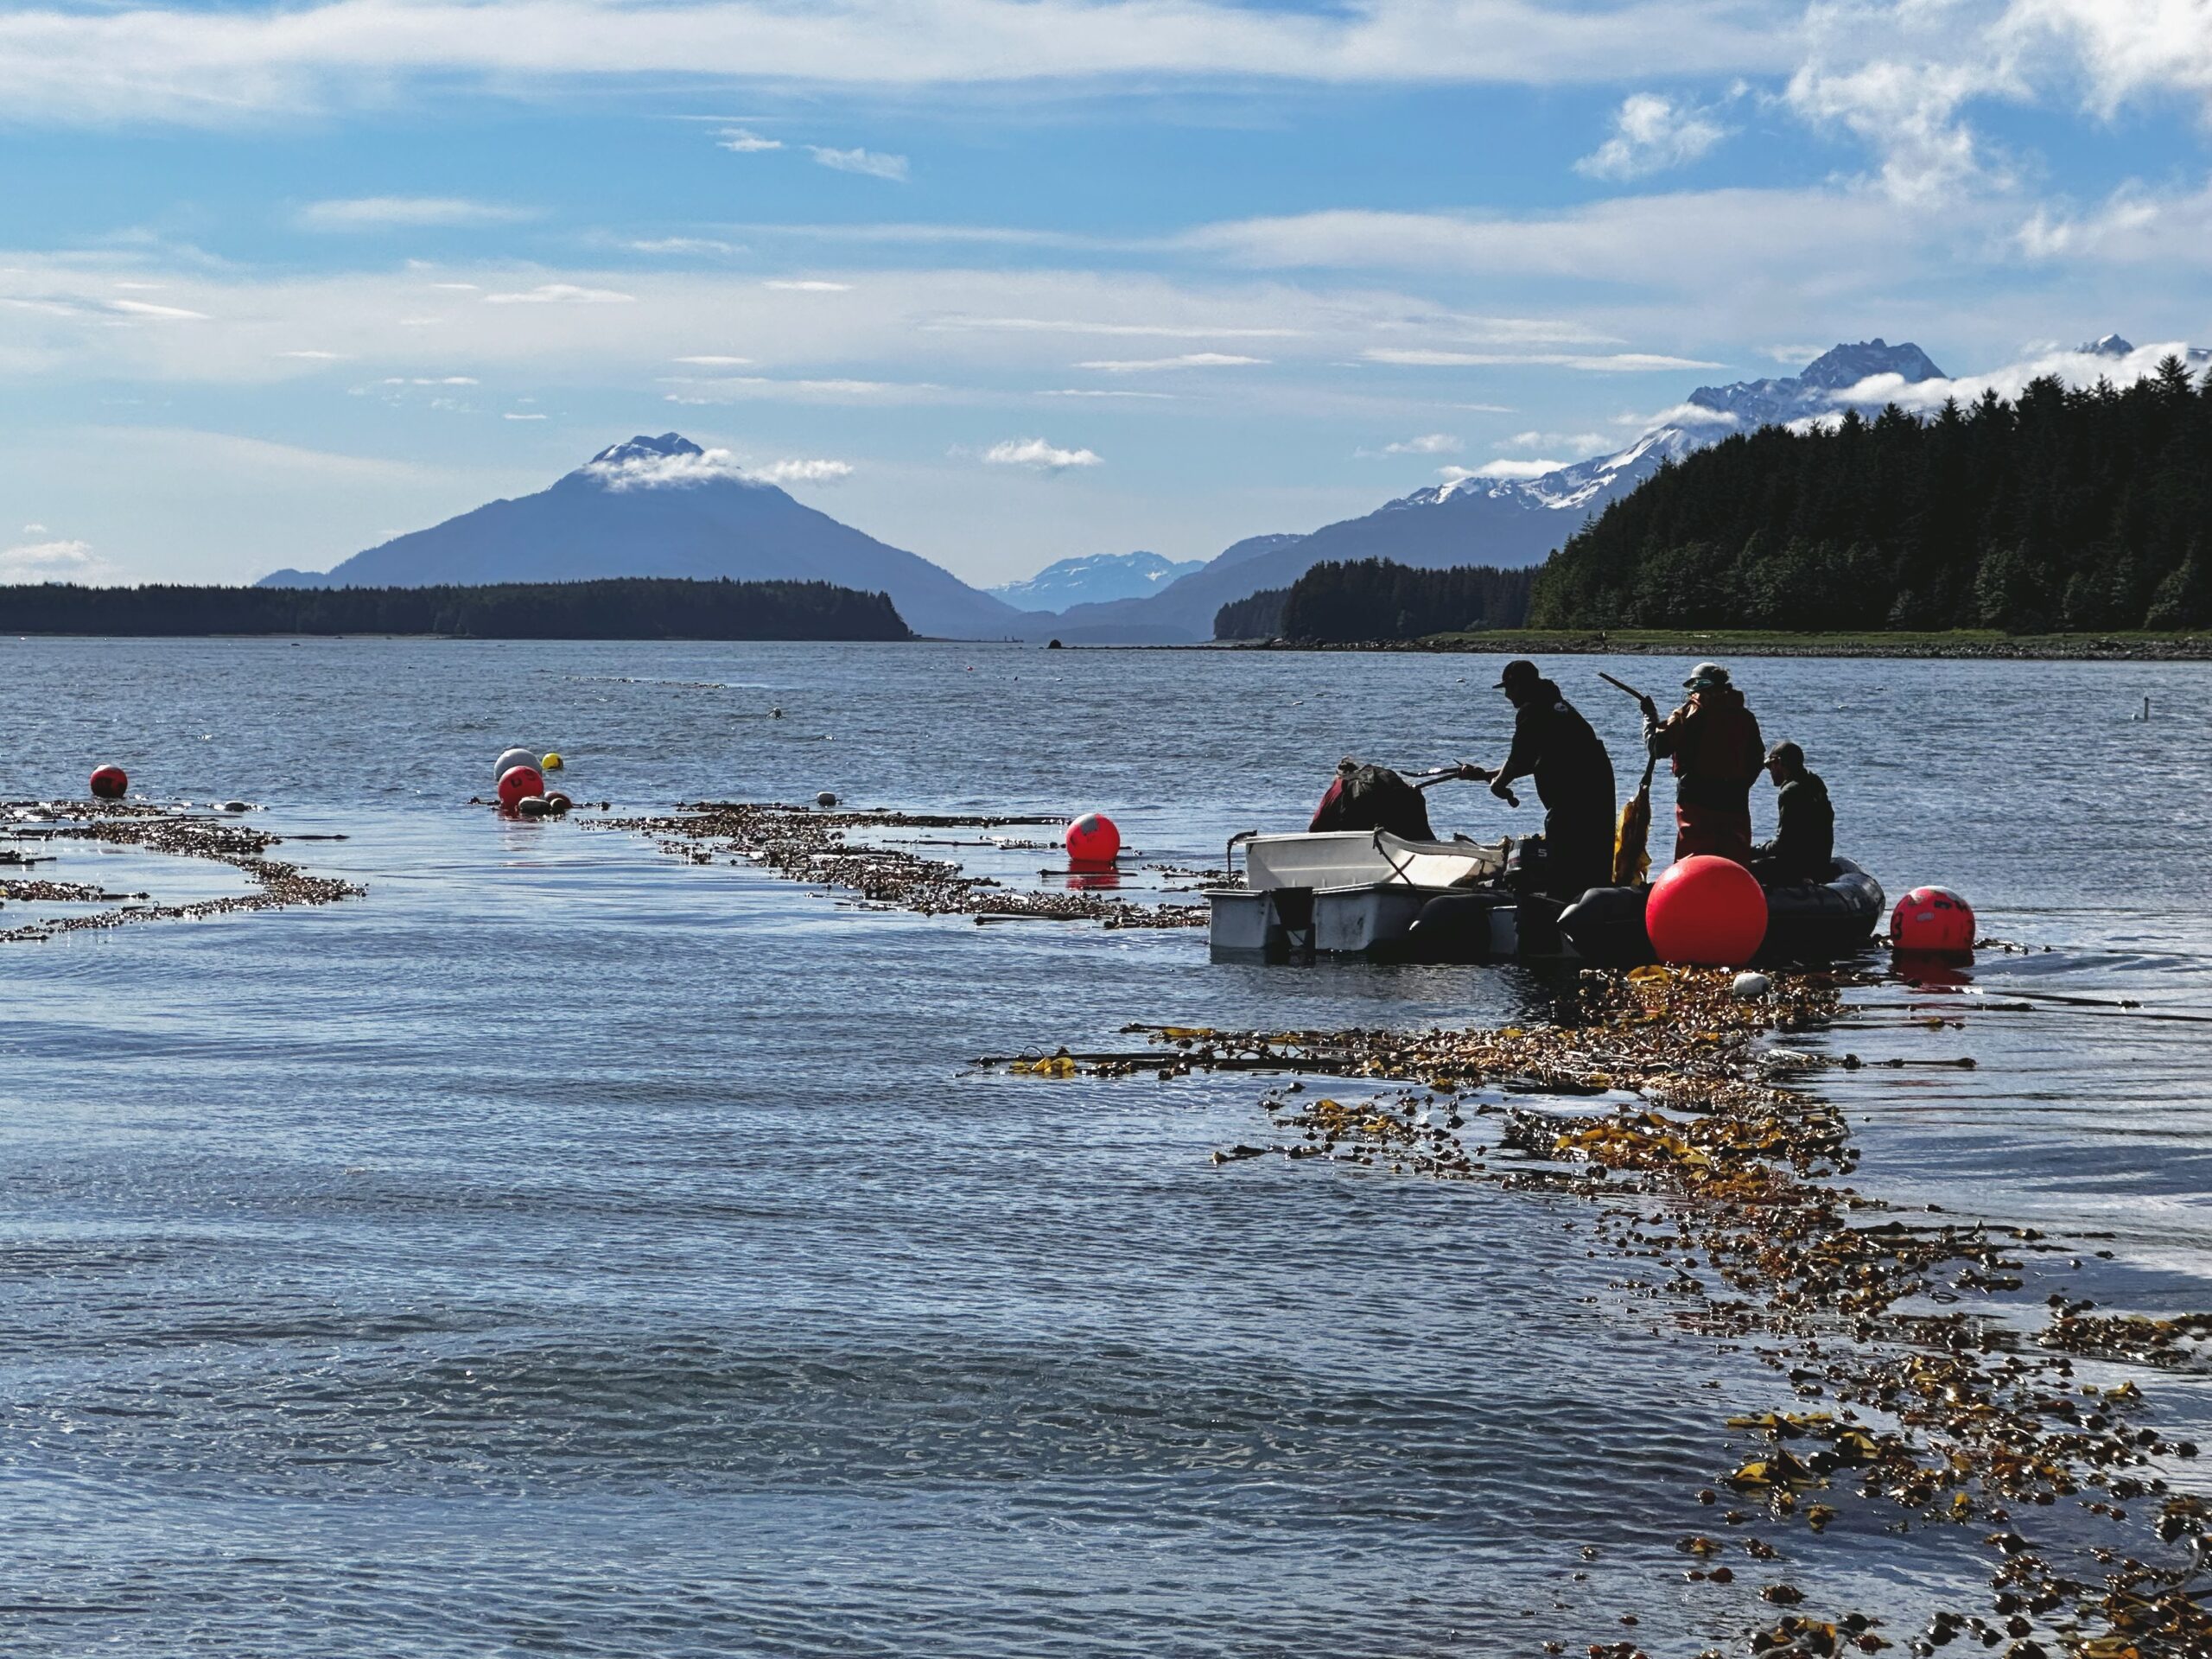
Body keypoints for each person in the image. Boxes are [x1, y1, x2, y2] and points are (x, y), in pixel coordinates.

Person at [1464, 658, 1616, 900]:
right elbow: (1540, 758)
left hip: (1571, 798)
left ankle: (1560, 904)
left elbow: (1519, 758)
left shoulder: (1531, 710)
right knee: (1593, 856)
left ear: (1520, 685)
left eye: (1508, 688)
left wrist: (1499, 784)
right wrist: (1493, 773)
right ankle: (1594, 902)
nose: (1507, 696)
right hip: (1598, 792)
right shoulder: (1558, 707)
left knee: (1564, 855)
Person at [1640, 662, 1764, 864]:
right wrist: (1740, 785)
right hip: (1735, 801)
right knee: (1733, 858)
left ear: (1699, 686)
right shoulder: (1745, 717)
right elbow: (1757, 760)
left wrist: (1649, 718)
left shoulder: (1688, 713)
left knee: (1694, 859)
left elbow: (1658, 748)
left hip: (1695, 800)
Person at [1748, 741, 1834, 887]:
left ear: (1778, 762)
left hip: (1798, 868)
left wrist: (1754, 851)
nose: (1770, 771)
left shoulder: (1791, 792)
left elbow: (1783, 844)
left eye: (1770, 766)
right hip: (1820, 864)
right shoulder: (1814, 783)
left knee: (1744, 870)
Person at [1309, 756, 1436, 841]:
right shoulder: (1384, 778)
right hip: (1407, 832)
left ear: (1338, 776)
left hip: (1366, 839)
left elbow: (1316, 827)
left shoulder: (1337, 787)